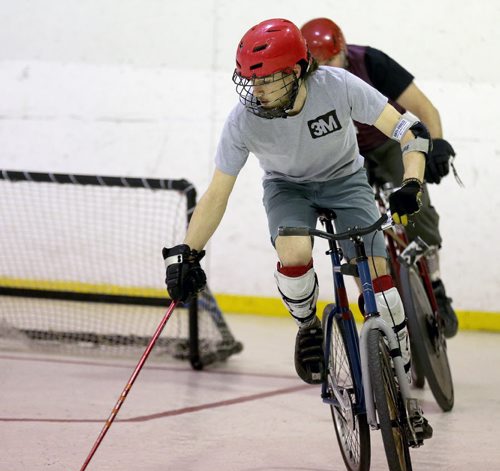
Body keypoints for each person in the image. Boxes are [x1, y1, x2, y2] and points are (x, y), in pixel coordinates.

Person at [162, 18, 432, 441]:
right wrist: (187, 251)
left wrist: (411, 184)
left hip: (346, 179)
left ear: (295, 72)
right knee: (293, 252)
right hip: (287, 187)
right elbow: (217, 193)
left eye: (265, 80)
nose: (256, 91)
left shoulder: (338, 85)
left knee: (381, 291)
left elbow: (409, 130)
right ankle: (308, 327)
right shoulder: (243, 121)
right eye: (250, 81)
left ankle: (402, 386)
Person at [300, 17, 458, 338]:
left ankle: (436, 283)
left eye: (331, 60)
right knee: (355, 229)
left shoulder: (371, 62)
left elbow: (424, 108)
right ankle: (374, 303)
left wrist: (437, 144)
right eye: (319, 65)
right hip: (343, 156)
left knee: (417, 202)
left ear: (343, 51)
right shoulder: (302, 81)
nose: (327, 69)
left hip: (386, 142)